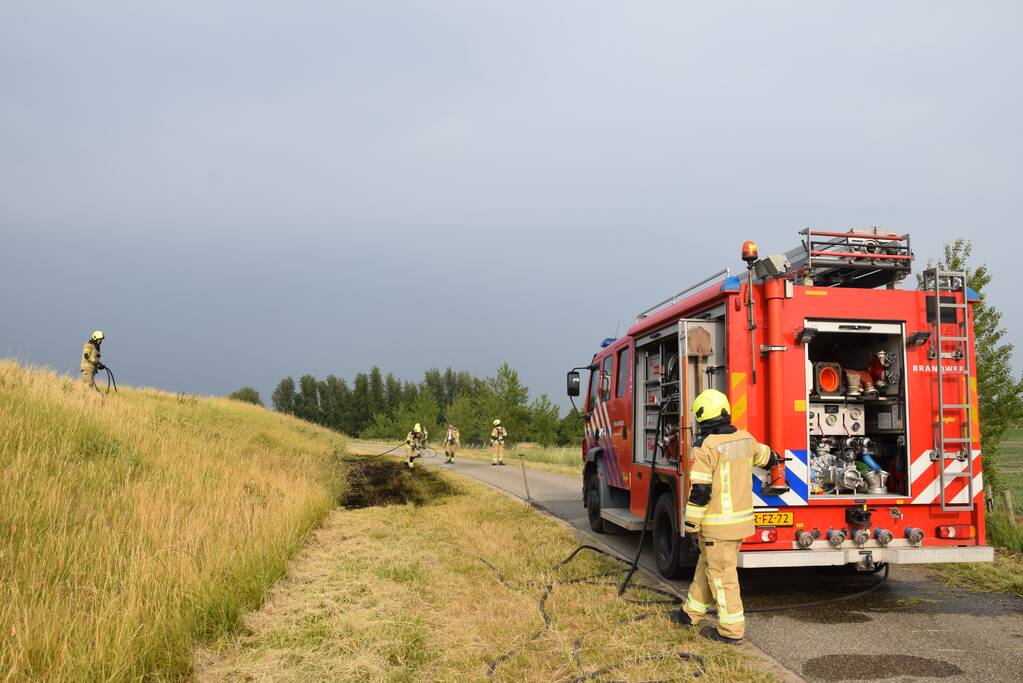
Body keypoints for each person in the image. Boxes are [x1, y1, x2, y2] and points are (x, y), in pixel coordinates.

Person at [676, 388, 779, 645]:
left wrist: (690, 525)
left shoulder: (704, 447)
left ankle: (731, 631)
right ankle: (690, 614)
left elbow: (700, 491)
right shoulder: (745, 439)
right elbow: (768, 457)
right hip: (739, 525)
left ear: (701, 416)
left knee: (722, 578)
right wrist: (775, 459)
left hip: (716, 527)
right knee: (708, 567)